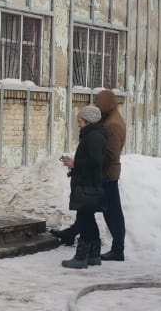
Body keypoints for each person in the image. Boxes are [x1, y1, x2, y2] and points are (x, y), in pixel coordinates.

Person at [51, 90, 127, 260]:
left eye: (99, 104)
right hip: (103, 173)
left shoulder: (112, 125)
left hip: (107, 174)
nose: (97, 108)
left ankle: (117, 249)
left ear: (107, 104)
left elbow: (109, 155)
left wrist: (83, 165)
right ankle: (72, 234)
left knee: (111, 212)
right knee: (87, 209)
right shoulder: (108, 120)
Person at [60, 104, 106, 269]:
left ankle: (81, 257)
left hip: (88, 185)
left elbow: (96, 162)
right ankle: (94, 255)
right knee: (87, 218)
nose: (78, 124)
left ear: (88, 121)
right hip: (88, 184)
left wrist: (75, 163)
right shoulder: (92, 135)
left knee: (85, 219)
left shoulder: (93, 136)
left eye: (80, 121)